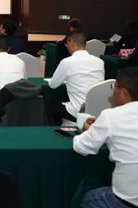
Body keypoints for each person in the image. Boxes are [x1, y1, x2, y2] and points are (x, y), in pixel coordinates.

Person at [73, 67, 138, 208]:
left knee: (85, 196)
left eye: (114, 87)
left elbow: (82, 147)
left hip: (126, 202)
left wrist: (87, 131)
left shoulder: (111, 116)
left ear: (124, 93)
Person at [48, 31, 104, 124]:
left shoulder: (67, 62)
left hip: (79, 111)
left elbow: (53, 85)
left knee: (51, 105)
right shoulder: (99, 62)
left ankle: (57, 130)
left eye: (67, 43)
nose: (66, 46)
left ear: (71, 42)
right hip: (97, 111)